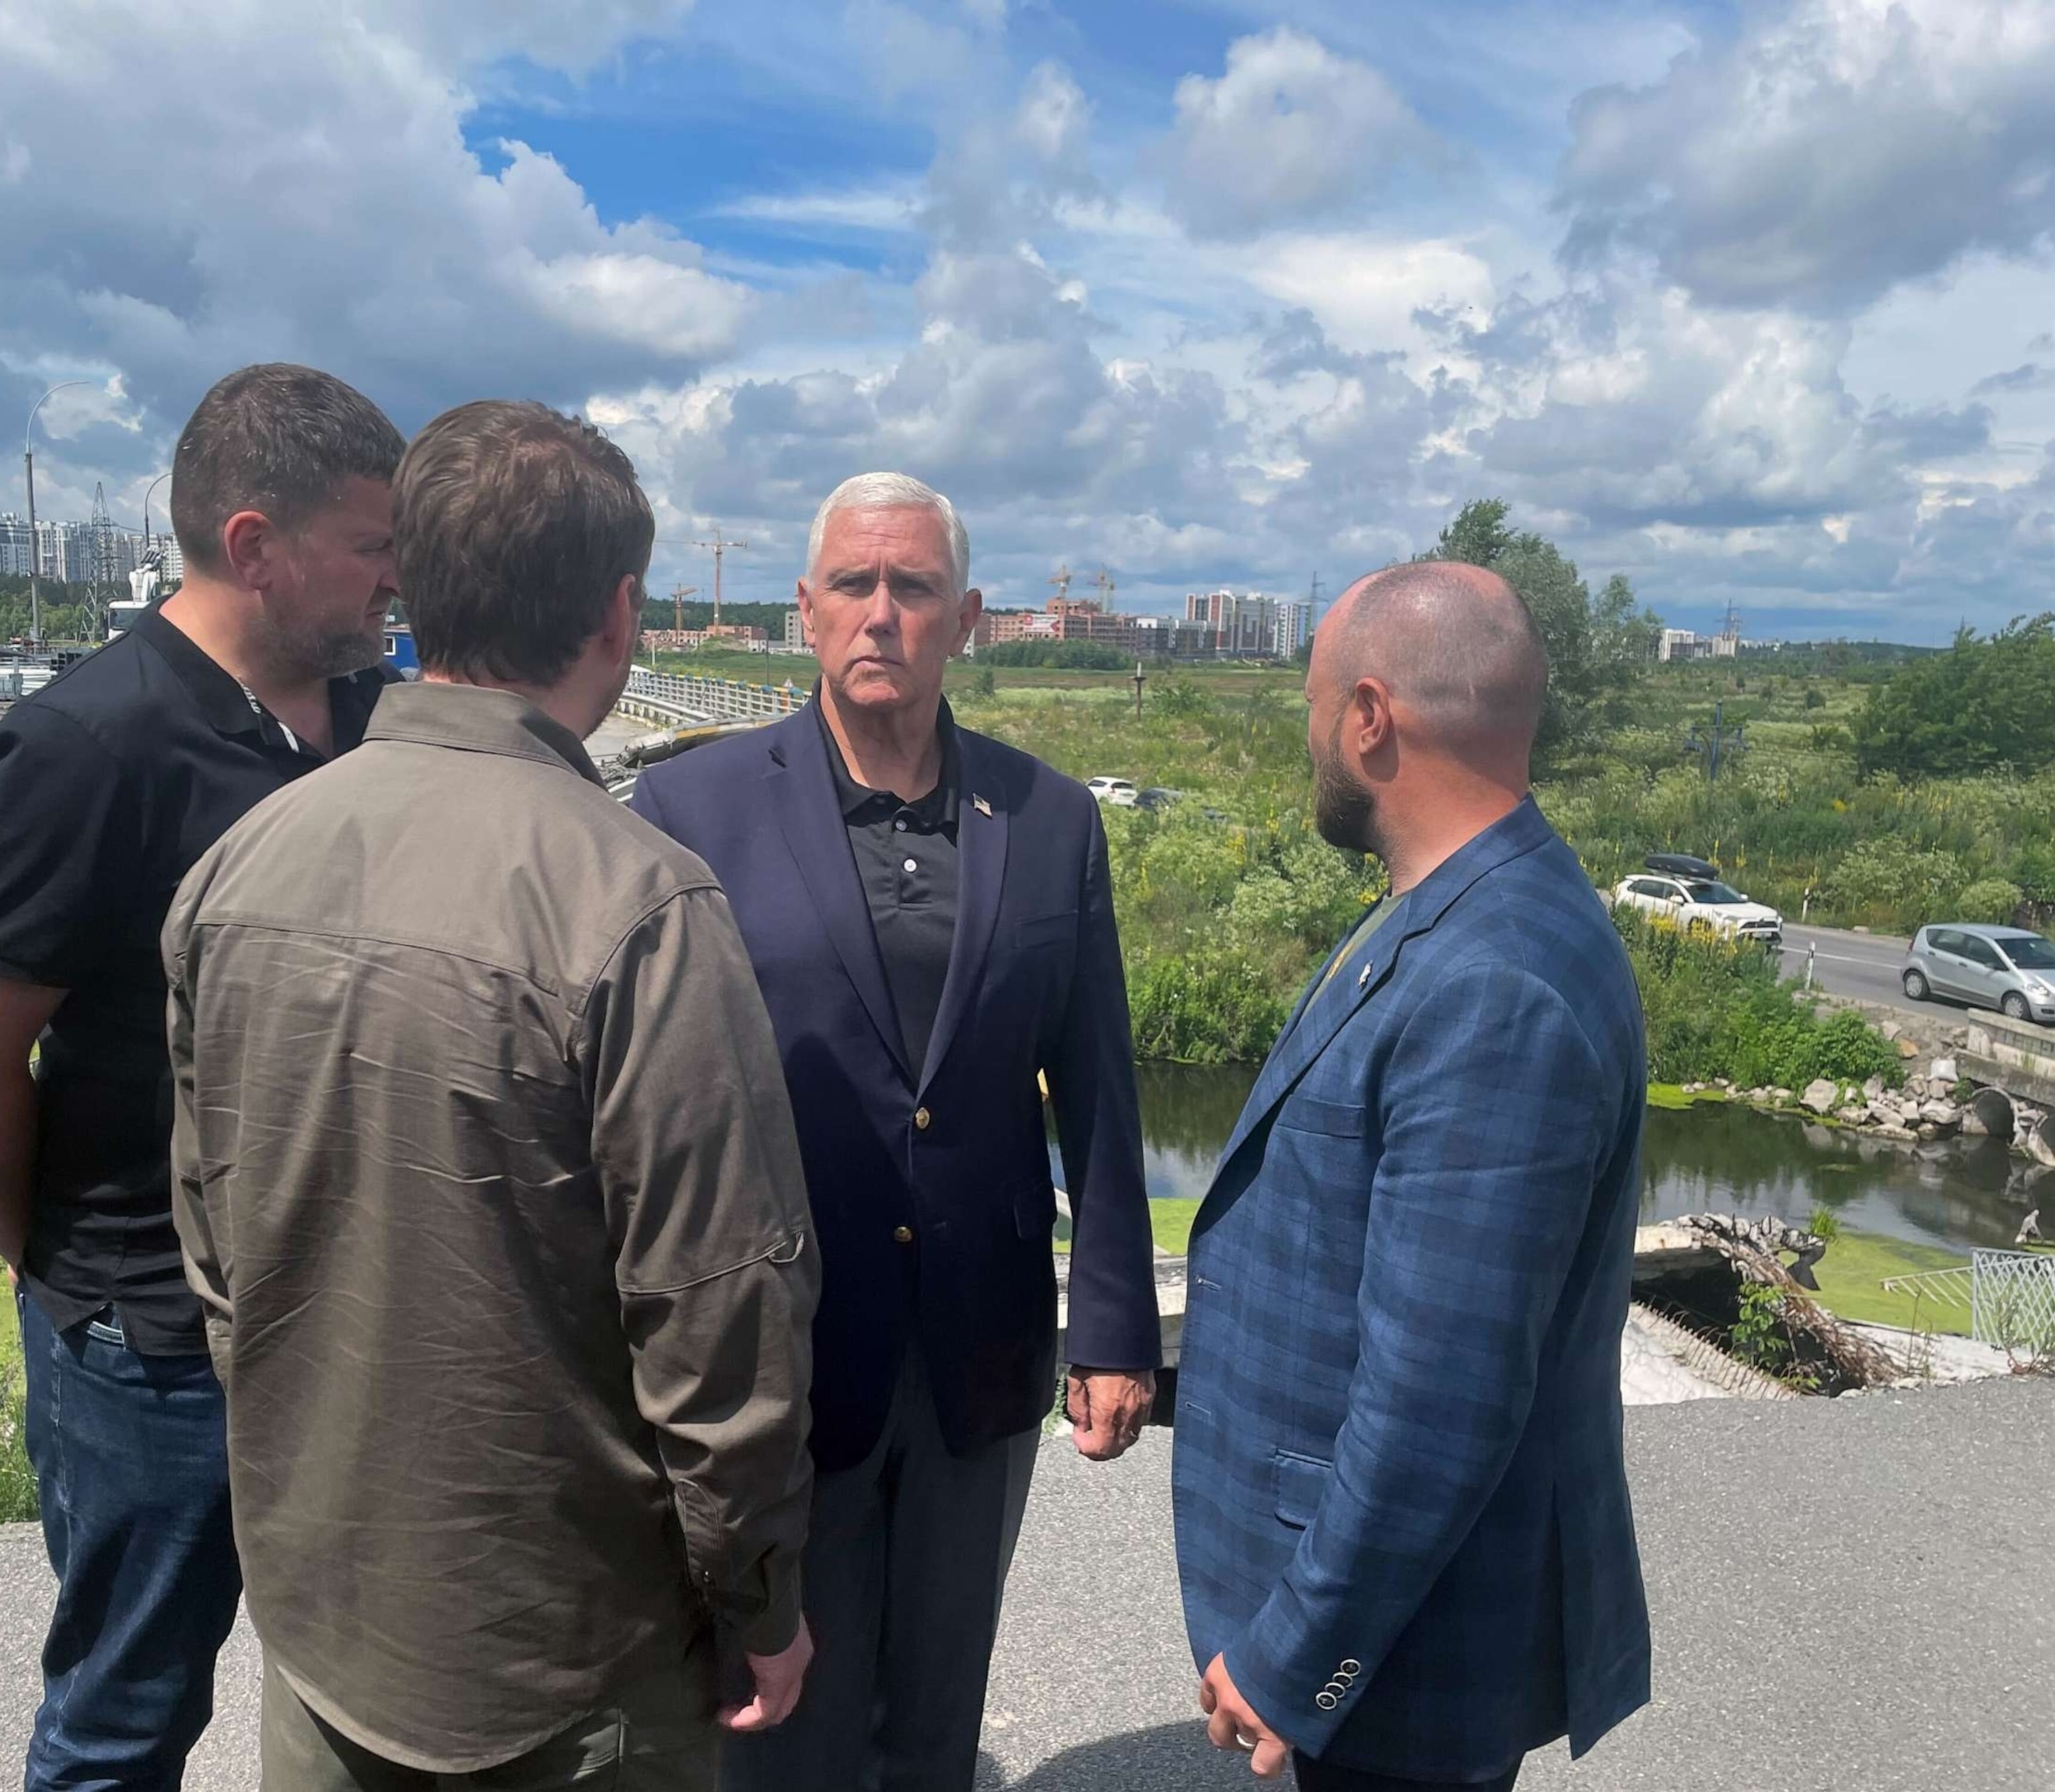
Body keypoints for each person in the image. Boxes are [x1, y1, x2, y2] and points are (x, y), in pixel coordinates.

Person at [166, 400, 821, 1792]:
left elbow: (217, 1251)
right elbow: (719, 1316)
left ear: (416, 588)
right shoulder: (638, 904)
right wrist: (758, 1598)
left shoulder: (240, 868)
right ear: (620, 612)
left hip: (326, 1613)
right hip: (569, 1654)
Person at [0, 363, 404, 1790]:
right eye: (372, 544)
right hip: (154, 1355)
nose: (395, 578)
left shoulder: (361, 722)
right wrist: (70, 1271)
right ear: (255, 545)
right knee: (125, 1719)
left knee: (369, 1697)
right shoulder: (88, 746)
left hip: (335, 1328)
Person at [631, 471, 1162, 1791]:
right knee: (778, 1720)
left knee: (936, 1706)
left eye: (914, 588)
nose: (884, 615)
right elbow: (654, 1107)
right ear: (804, 612)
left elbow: (1096, 1084)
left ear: (965, 619)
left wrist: (1109, 1327)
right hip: (781, 1354)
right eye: (855, 587)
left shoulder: (1049, 823)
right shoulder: (693, 812)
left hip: (977, 1348)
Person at [1171, 560, 1652, 1790]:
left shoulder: (1494, 982)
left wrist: (1300, 1657)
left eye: (1317, 704)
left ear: (1371, 717)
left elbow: (1445, 1394)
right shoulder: (1460, 908)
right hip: (1392, 1617)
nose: (1313, 737)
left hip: (1402, 1644)